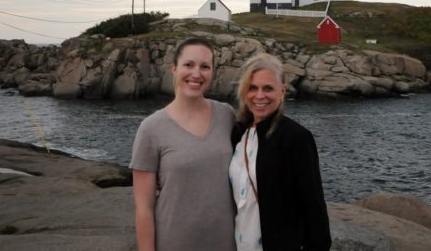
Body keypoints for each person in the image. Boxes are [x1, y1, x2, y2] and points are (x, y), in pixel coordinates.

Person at [130, 38, 236, 251]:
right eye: (189, 65)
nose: (196, 74)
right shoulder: (151, 128)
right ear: (174, 69)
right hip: (173, 243)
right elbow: (144, 208)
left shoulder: (227, 115)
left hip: (227, 243)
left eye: (205, 66)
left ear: (212, 72)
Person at [229, 53, 331, 251]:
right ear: (244, 92)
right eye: (252, 88)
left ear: (282, 92)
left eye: (268, 88)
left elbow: (314, 205)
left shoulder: (296, 137)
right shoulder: (239, 133)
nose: (259, 96)